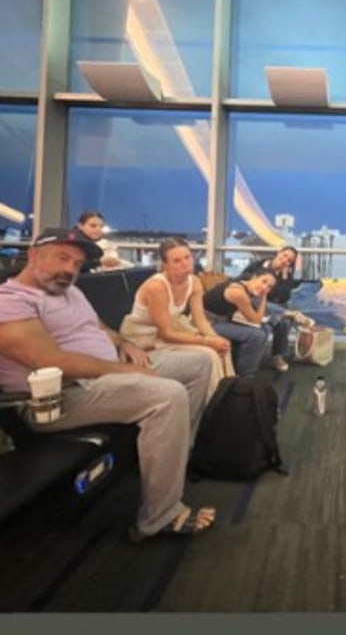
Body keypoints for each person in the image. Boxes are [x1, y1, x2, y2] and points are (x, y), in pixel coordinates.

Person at [0, 229, 217, 540]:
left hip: (108, 372)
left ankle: (178, 453)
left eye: (76, 263)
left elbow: (98, 327)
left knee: (199, 363)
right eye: (62, 258)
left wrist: (125, 343)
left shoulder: (69, 291)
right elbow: (52, 363)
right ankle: (160, 517)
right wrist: (125, 371)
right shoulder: (11, 302)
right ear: (33, 254)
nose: (70, 269)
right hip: (58, 398)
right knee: (168, 395)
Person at [119, 237, 233, 402]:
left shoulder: (194, 282)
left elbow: (200, 319)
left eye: (187, 257)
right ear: (166, 265)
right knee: (209, 354)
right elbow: (166, 334)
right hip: (145, 335)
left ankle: (226, 398)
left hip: (172, 329)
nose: (185, 263)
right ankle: (211, 406)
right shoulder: (157, 286)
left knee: (222, 349)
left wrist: (215, 339)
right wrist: (207, 342)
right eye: (177, 261)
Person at [237, 246, 304, 370]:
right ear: (278, 253)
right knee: (268, 323)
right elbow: (242, 280)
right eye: (284, 255)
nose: (285, 260)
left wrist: (283, 278)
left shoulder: (286, 274)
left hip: (274, 305)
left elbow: (284, 297)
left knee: (284, 322)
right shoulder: (258, 266)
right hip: (254, 302)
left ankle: (278, 356)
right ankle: (289, 313)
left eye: (289, 260)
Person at [203, 269, 278, 376]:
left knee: (265, 328)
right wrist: (264, 296)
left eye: (269, 287)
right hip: (208, 323)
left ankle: (249, 364)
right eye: (264, 281)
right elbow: (256, 319)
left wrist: (262, 294)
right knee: (257, 335)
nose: (265, 287)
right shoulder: (238, 292)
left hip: (222, 319)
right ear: (254, 277)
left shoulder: (246, 287)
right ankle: (246, 375)